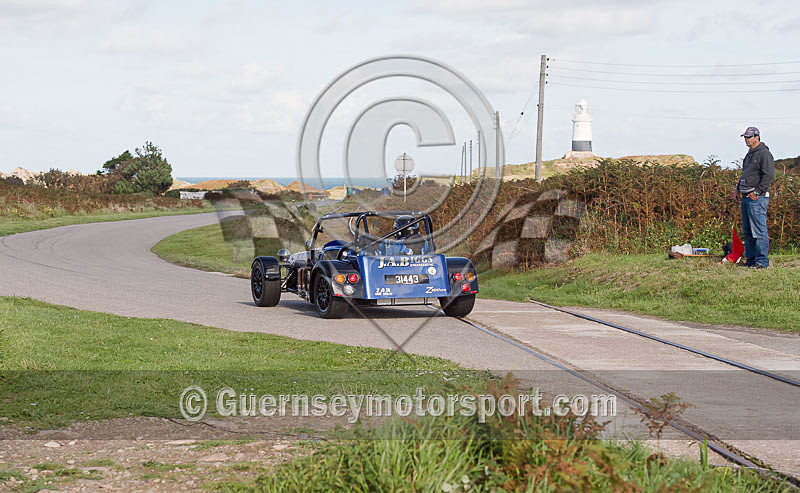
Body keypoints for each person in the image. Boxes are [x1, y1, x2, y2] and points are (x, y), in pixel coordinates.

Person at [733, 126, 774, 268]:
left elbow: (768, 176)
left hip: (757, 198)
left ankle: (762, 262)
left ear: (757, 137)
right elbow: (745, 173)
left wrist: (757, 192)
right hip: (745, 197)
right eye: (745, 137)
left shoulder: (764, 154)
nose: (746, 139)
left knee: (759, 231)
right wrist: (738, 188)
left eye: (749, 137)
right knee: (748, 231)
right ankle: (751, 261)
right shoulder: (749, 154)